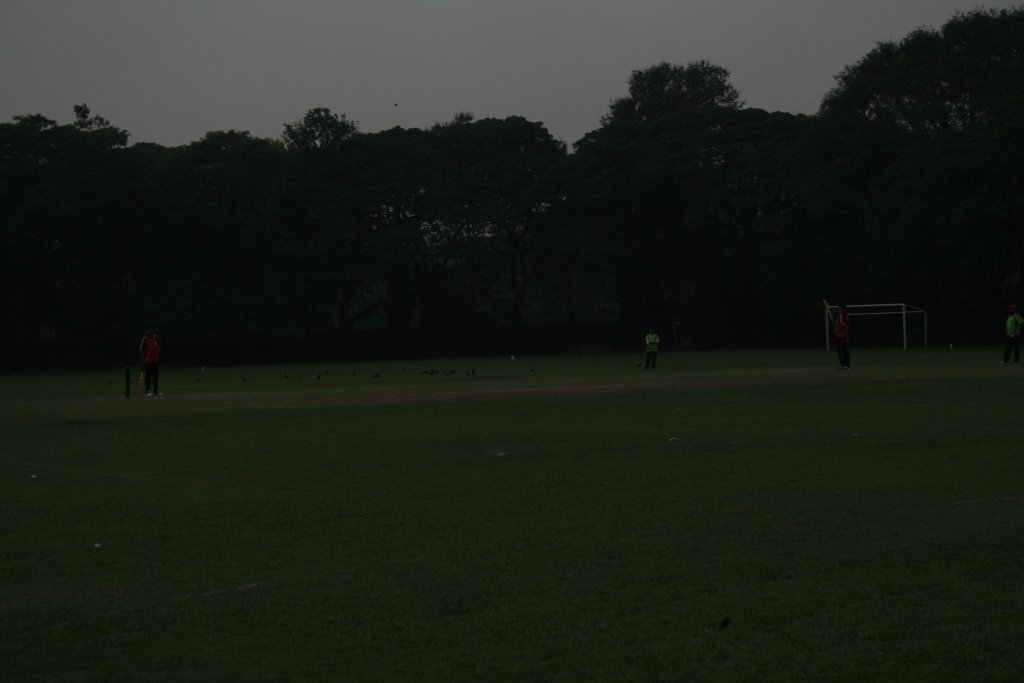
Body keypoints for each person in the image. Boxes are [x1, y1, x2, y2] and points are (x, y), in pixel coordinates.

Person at [139, 328, 163, 396]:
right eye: (147, 331)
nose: (149, 332)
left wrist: (157, 352)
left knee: (155, 376)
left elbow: (160, 344)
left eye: (150, 331)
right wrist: (144, 359)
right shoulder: (144, 339)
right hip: (148, 361)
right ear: (145, 332)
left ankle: (156, 390)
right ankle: (148, 390)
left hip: (156, 360)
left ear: (152, 331)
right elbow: (141, 349)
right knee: (148, 376)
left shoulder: (156, 337)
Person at [834, 304, 850, 369]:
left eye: (839, 308)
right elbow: (840, 323)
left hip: (842, 335)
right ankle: (843, 364)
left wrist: (836, 330)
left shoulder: (842, 315)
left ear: (842, 309)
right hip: (842, 334)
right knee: (842, 350)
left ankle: (845, 365)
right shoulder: (844, 315)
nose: (838, 309)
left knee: (843, 350)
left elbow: (843, 324)